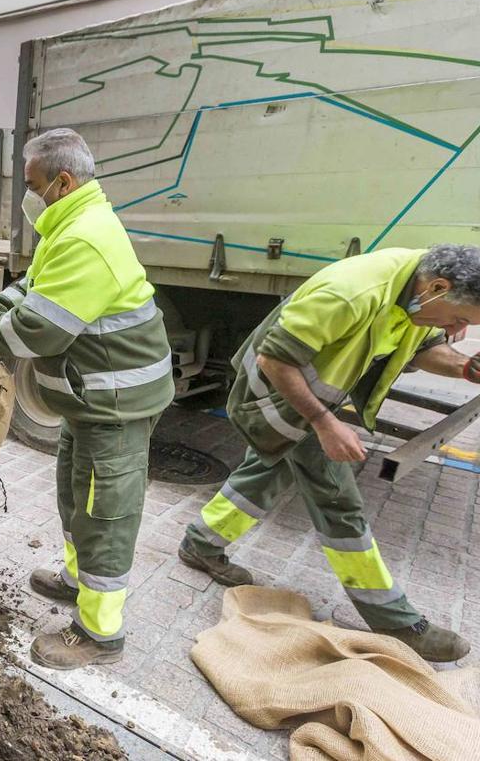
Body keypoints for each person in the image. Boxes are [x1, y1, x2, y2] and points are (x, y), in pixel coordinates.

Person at [0, 128, 173, 669]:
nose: (27, 194)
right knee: (74, 489)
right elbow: (27, 292)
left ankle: (99, 631)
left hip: (118, 404)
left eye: (31, 184)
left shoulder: (86, 237)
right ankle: (76, 579)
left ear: (62, 181)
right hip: (92, 402)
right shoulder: (66, 225)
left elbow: (38, 332)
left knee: (105, 510)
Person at [177, 244, 480, 662]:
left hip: (310, 395)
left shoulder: (417, 292)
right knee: (337, 501)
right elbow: (274, 360)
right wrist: (324, 423)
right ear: (437, 287)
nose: (458, 329)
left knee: (269, 471)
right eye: (460, 319)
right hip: (273, 395)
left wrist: (466, 368)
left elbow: (423, 348)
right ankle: (394, 618)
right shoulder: (351, 292)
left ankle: (200, 544)